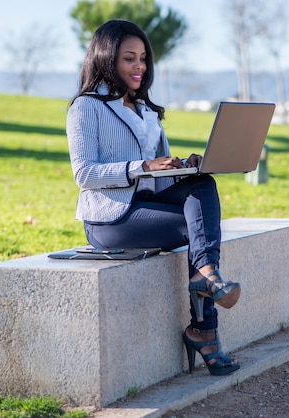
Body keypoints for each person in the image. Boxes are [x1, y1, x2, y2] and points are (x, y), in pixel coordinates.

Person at [66, 19, 241, 376]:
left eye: (143, 58)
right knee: (201, 230)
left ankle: (205, 278)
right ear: (106, 59)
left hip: (148, 207)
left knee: (203, 184)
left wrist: (184, 167)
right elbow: (84, 173)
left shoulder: (147, 111)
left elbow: (159, 179)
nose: (139, 66)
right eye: (129, 58)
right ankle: (204, 330)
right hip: (111, 220)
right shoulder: (86, 108)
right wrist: (140, 165)